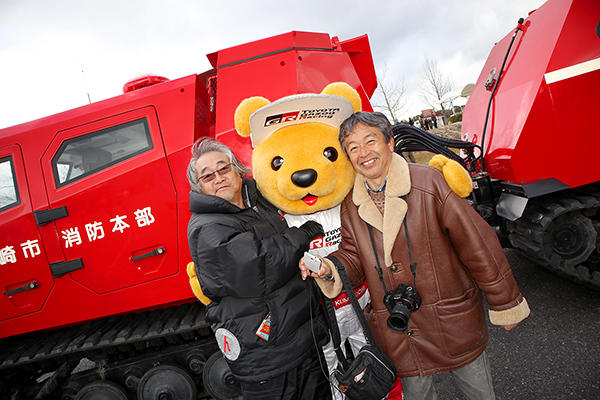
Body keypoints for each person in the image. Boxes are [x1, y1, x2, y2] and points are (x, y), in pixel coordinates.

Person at [300, 112, 530, 400]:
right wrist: (328, 266)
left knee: (479, 394)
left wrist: (505, 301)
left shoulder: (428, 182)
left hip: (452, 319)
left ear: (390, 143)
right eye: (353, 147)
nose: (363, 153)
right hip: (399, 332)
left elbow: (477, 245)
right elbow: (352, 256)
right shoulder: (350, 203)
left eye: (370, 141)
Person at [187, 137, 331, 400]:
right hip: (267, 356)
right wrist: (302, 236)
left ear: (237, 169)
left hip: (299, 340)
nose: (218, 178)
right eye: (207, 176)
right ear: (199, 187)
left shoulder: (257, 203)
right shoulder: (207, 227)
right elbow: (259, 265)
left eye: (223, 168)